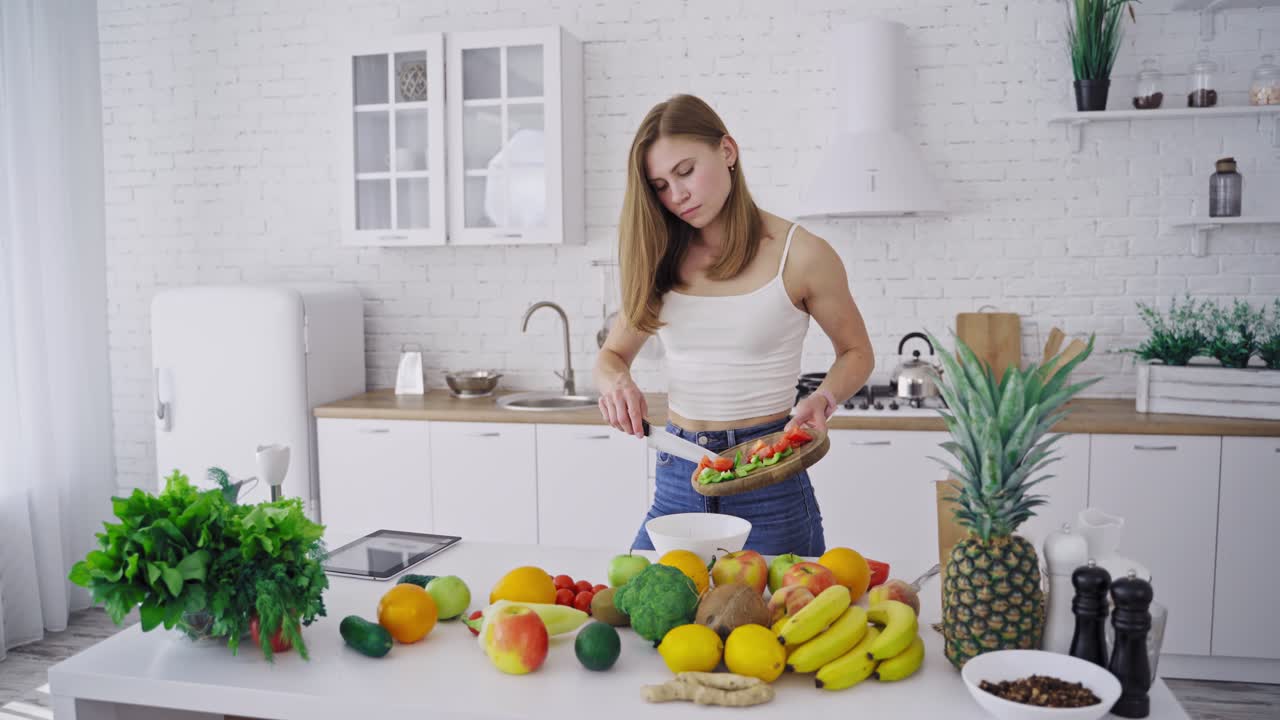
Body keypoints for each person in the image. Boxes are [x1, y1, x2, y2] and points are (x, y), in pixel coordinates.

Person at [594, 94, 875, 556]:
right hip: (679, 475)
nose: (676, 195)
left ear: (727, 151)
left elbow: (856, 351)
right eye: (660, 185)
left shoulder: (801, 254)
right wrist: (617, 383)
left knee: (775, 627)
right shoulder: (661, 257)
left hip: (770, 478)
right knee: (643, 618)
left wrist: (824, 398)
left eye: (685, 172)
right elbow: (610, 357)